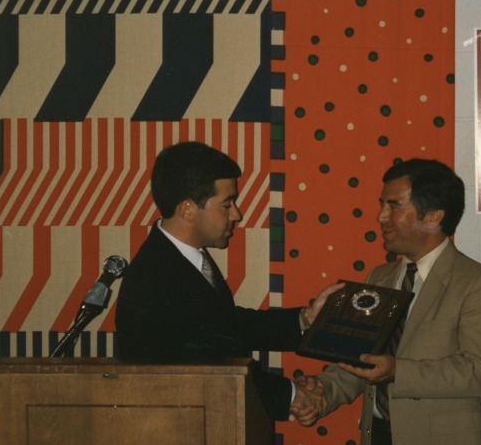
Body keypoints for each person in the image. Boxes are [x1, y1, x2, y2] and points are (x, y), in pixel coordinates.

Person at [291, 158, 481, 445]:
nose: (381, 217)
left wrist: (397, 371)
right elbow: (361, 360)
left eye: (393, 206)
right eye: (381, 205)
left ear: (434, 216)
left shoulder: (479, 283)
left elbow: (478, 373)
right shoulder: (378, 277)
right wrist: (324, 393)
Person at [115, 141, 338, 421]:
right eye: (227, 203)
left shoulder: (179, 259)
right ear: (187, 210)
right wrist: (291, 395)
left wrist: (305, 319)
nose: (237, 214)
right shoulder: (156, 277)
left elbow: (225, 325)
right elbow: (205, 368)